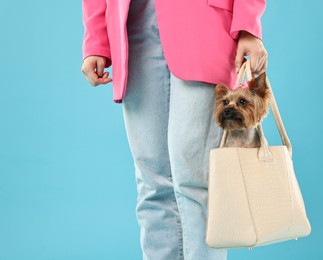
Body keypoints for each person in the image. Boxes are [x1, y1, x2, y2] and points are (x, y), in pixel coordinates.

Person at [81, 0, 268, 259]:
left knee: (195, 180)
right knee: (152, 184)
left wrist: (248, 25)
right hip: (132, 29)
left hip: (204, 26)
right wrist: (97, 41)